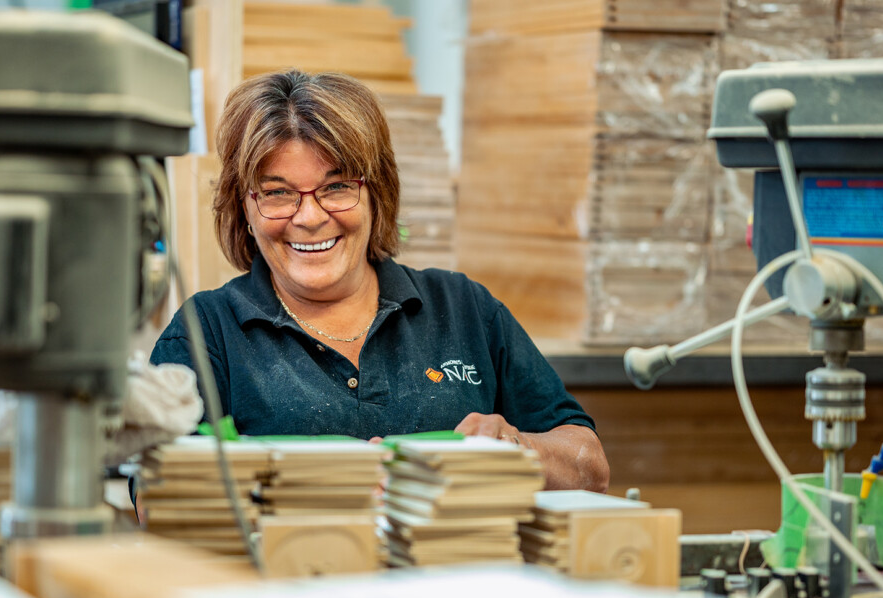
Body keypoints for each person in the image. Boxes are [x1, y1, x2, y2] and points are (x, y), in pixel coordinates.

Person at [150, 69, 609, 492]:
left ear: (377, 194)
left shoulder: (463, 307)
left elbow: (590, 464)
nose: (309, 217)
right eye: (277, 193)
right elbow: (156, 498)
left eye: (336, 187)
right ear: (244, 209)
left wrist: (519, 449)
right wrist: (320, 485)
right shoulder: (205, 332)